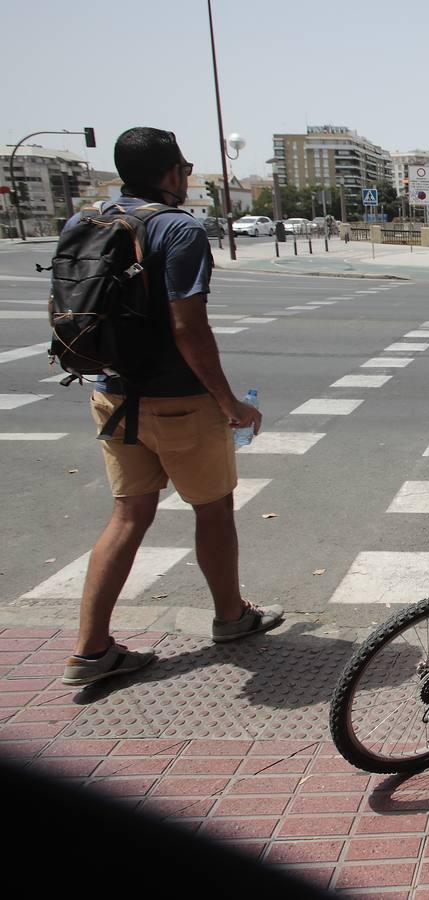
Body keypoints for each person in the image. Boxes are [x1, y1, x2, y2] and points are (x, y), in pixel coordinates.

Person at [61, 127, 283, 688]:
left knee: (129, 514)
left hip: (112, 394)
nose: (187, 177)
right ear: (169, 173)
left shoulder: (85, 220)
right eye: (184, 168)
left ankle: (90, 650)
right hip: (178, 402)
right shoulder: (177, 229)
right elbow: (189, 327)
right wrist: (228, 401)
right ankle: (231, 618)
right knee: (213, 510)